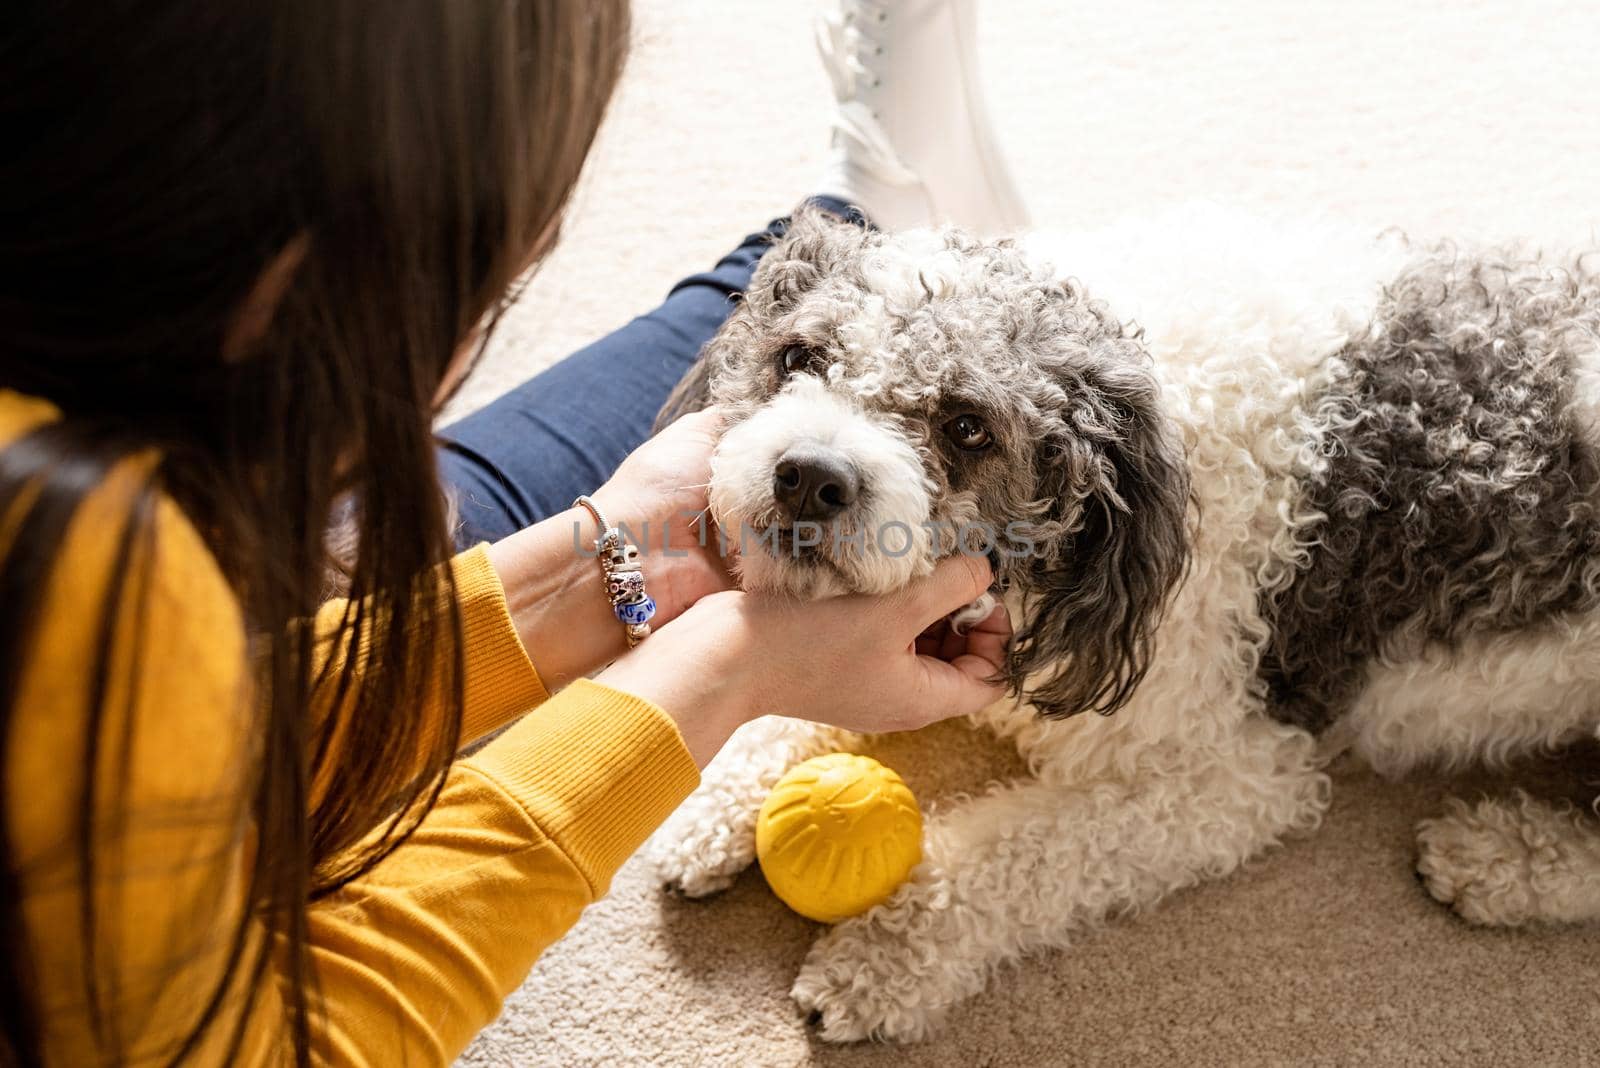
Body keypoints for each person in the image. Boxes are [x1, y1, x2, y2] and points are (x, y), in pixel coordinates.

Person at [0, 1, 1029, 1063]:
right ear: (292, 287)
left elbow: (178, 751)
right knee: (435, 511)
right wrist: (725, 666)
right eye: (499, 277)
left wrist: (610, 564)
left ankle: (853, 218)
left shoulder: (76, 564)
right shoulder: (106, 575)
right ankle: (854, 217)